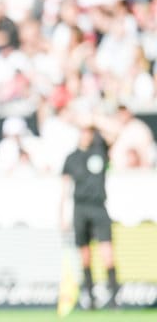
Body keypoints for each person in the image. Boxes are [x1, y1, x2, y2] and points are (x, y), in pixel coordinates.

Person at [60, 125, 119, 310]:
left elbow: (116, 133)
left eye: (89, 132)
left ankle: (114, 295)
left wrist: (94, 119)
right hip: (80, 208)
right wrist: (61, 214)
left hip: (98, 207)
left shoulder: (100, 151)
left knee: (107, 252)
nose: (86, 136)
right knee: (84, 255)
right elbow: (64, 189)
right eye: (84, 131)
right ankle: (90, 295)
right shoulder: (72, 158)